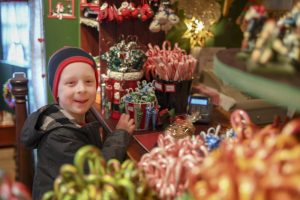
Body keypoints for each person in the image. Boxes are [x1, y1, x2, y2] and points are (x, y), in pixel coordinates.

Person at [20, 47, 135, 200]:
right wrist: (121, 134)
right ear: (56, 90)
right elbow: (96, 174)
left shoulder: (75, 118)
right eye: (71, 83)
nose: (81, 89)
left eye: (88, 81)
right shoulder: (58, 136)